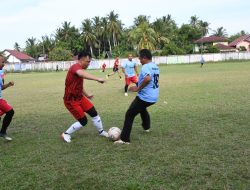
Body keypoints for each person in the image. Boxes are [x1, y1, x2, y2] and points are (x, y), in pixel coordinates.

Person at [61, 51, 109, 143]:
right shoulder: (75, 67)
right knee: (83, 121)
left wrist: (87, 95)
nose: (89, 64)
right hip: (71, 101)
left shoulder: (80, 69)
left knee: (93, 112)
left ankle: (101, 131)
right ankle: (66, 134)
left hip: (80, 97)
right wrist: (97, 79)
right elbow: (81, 74)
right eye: (88, 61)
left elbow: (79, 86)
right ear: (82, 60)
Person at [114, 49, 159, 144]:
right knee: (142, 109)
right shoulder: (155, 66)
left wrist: (137, 88)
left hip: (145, 97)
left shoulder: (146, 66)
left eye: (140, 58)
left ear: (145, 58)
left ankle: (124, 139)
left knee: (129, 114)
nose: (139, 60)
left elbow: (147, 78)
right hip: (153, 97)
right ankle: (146, 127)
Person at [0, 55, 15, 141]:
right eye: (2, 62)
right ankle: (2, 132)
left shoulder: (0, 73)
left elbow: (1, 87)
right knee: (10, 111)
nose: (4, 64)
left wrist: (8, 84)